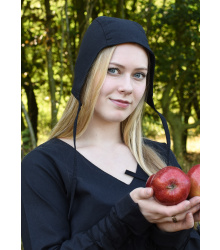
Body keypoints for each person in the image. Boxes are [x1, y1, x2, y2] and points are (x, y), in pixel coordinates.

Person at [21, 16, 200, 249]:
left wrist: (171, 232)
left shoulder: (159, 157)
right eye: (113, 70)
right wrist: (126, 218)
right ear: (86, 74)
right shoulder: (43, 166)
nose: (127, 87)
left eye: (139, 75)